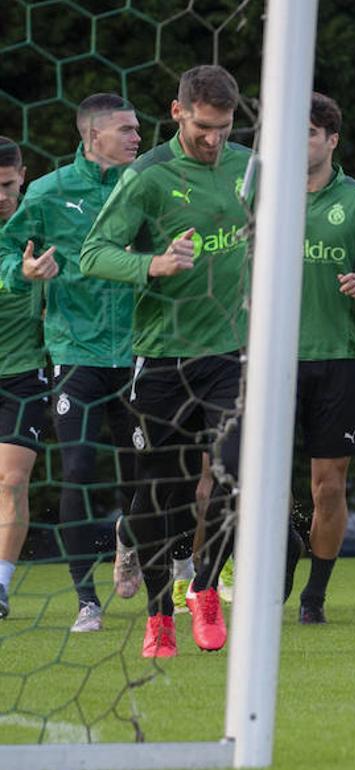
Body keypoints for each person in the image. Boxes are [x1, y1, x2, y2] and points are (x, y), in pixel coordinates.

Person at [81, 64, 251, 657]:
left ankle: (204, 589)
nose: (214, 140)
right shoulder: (147, 177)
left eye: (224, 128)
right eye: (204, 127)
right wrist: (152, 264)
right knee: (163, 498)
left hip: (230, 355)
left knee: (240, 474)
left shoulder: (249, 167)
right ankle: (159, 617)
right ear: (177, 112)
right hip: (161, 361)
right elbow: (94, 254)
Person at [0, 96, 141, 632]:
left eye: (138, 130)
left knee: (143, 478)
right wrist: (24, 271)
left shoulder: (144, 187)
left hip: (135, 352)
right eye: (126, 130)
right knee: (78, 473)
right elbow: (6, 252)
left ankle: (131, 539)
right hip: (73, 353)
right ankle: (86, 599)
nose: (136, 138)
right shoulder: (49, 192)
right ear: (92, 137)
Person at [293, 93, 355, 624]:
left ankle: (315, 596)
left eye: (308, 132)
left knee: (328, 484)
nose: (297, 142)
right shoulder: (258, 194)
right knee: (246, 476)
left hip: (337, 359)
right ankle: (278, 553)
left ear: (332, 140)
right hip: (268, 362)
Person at [0, 136, 43, 622]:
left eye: (9, 185)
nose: (2, 196)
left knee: (12, 480)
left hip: (24, 372)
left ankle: (1, 584)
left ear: (23, 175)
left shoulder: (38, 223)